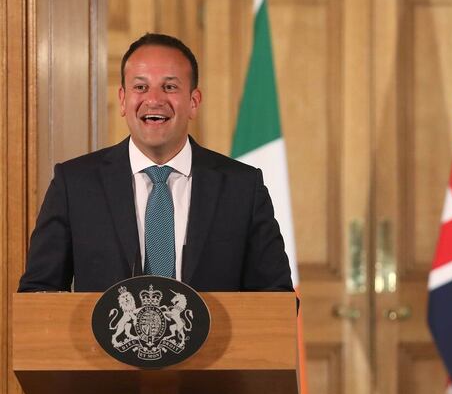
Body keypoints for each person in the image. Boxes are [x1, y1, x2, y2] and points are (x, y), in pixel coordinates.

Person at [18, 33, 293, 293]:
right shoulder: (74, 184)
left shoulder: (241, 187)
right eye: (140, 87)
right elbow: (39, 293)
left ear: (193, 102)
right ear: (123, 100)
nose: (153, 100)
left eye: (170, 87)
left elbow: (276, 298)